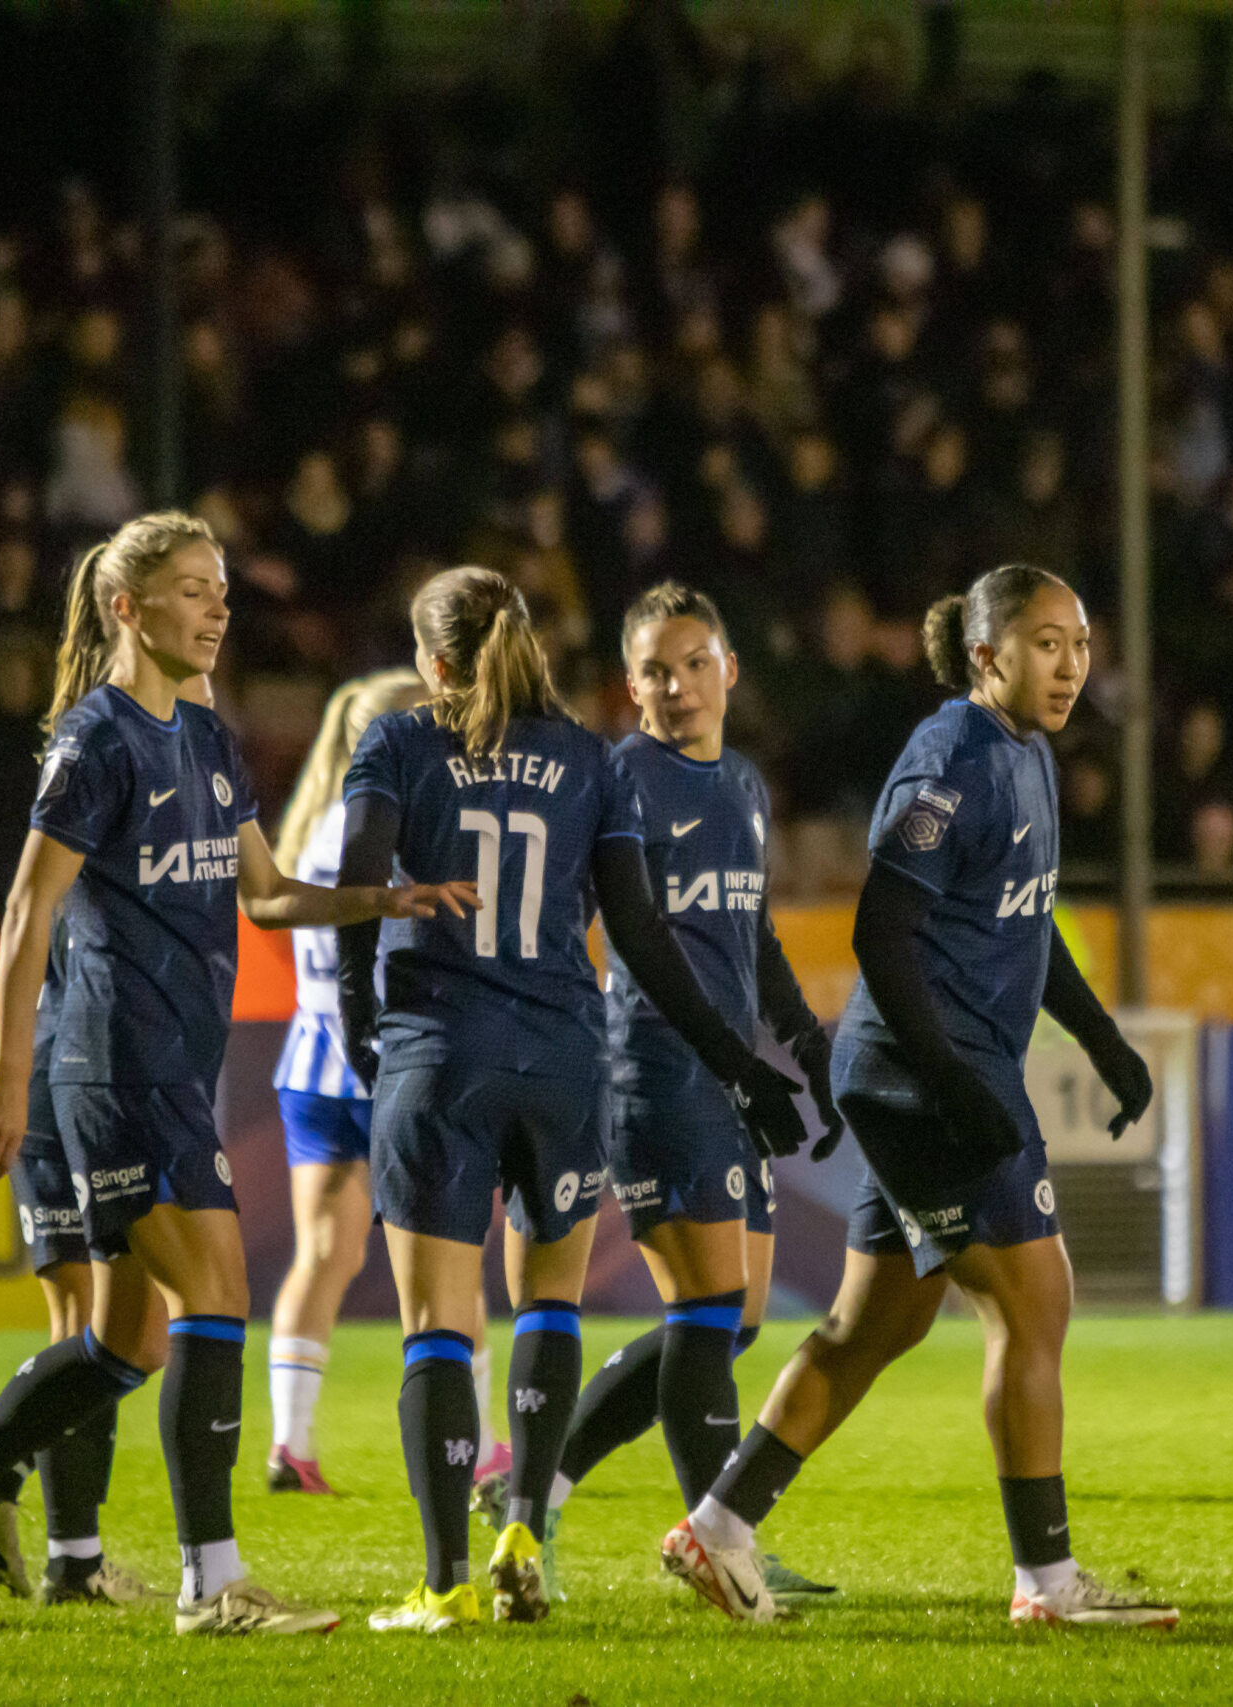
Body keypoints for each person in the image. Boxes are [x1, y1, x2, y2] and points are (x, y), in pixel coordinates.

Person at [0, 511, 472, 1634]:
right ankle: (212, 1582)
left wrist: (382, 899)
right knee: (219, 1297)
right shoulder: (97, 742)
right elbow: (28, 906)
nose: (219, 609)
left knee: (128, 1341)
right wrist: (7, 1074)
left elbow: (268, 894)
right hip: (113, 1061)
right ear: (127, 609)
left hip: (173, 1066)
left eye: (224, 589)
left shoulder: (203, 735)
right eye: (195, 589)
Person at [665, 564, 1176, 1629]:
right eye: (1047, 643)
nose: (1071, 664)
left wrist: (1102, 1041)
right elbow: (880, 936)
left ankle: (718, 1528)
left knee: (873, 1325)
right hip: (922, 1077)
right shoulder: (951, 759)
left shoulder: (1026, 756)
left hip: (933, 1075)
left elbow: (1026, 928)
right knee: (1034, 1305)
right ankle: (1046, 1583)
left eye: (1081, 643)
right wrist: (955, 1086)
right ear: (987, 655)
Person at [338, 565, 809, 1634]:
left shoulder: (402, 744)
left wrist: (366, 1026)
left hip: (442, 1052)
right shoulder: (588, 761)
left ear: (433, 663)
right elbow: (640, 934)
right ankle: (523, 1537)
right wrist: (743, 1065)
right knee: (550, 1300)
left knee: (438, 1328)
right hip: (563, 1061)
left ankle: (449, 1578)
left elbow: (364, 885)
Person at [537, 582, 843, 1607]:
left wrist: (802, 1035)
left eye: (693, 664)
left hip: (730, 1068)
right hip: (660, 1066)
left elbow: (746, 931)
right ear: (629, 687)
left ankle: (535, 1485)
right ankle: (720, 1537)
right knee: (707, 1306)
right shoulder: (621, 781)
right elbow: (638, 935)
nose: (677, 687)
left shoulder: (744, 786)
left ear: (729, 670)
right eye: (655, 673)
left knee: (736, 1318)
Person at [0, 668, 220, 1613]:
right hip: (80, 1082)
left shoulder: (157, 779)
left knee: (105, 1329)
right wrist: (12, 1073)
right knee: (98, 1325)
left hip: (85, 1077)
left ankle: (52, 1537)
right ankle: (40, 1533)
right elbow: (32, 923)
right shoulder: (101, 774)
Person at [258, 667, 517, 1505]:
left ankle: (289, 1443)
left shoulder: (315, 829)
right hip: (387, 1063)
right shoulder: (393, 829)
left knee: (324, 1256)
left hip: (311, 1065)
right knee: (449, 1264)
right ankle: (476, 1452)